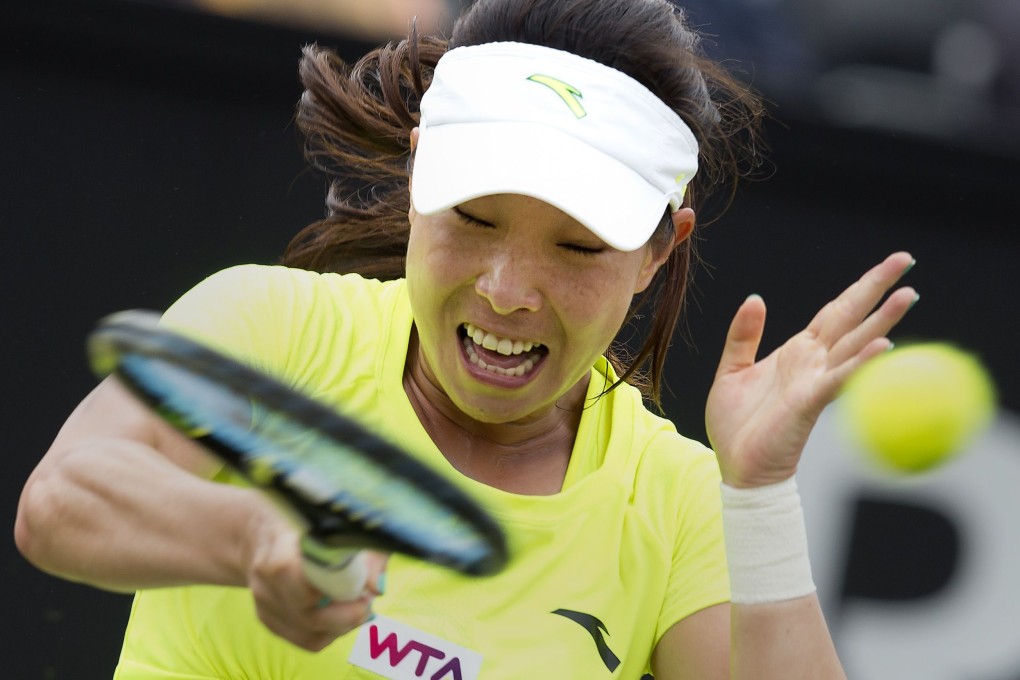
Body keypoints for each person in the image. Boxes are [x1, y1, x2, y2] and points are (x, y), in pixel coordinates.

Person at [14, 0, 919, 677]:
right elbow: (60, 504)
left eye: (575, 246)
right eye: (475, 220)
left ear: (657, 252)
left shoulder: (678, 500)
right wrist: (256, 536)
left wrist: (757, 502)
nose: (506, 292)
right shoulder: (269, 325)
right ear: (417, 179)